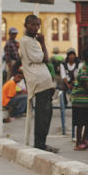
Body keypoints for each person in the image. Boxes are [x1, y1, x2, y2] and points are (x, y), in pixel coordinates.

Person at [19, 15, 59, 153]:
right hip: (39, 81)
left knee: (47, 113)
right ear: (26, 25)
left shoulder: (30, 40)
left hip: (44, 82)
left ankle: (42, 142)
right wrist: (43, 42)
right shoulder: (27, 41)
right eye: (32, 25)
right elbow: (45, 58)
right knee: (43, 114)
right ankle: (40, 144)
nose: (36, 28)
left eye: (38, 25)